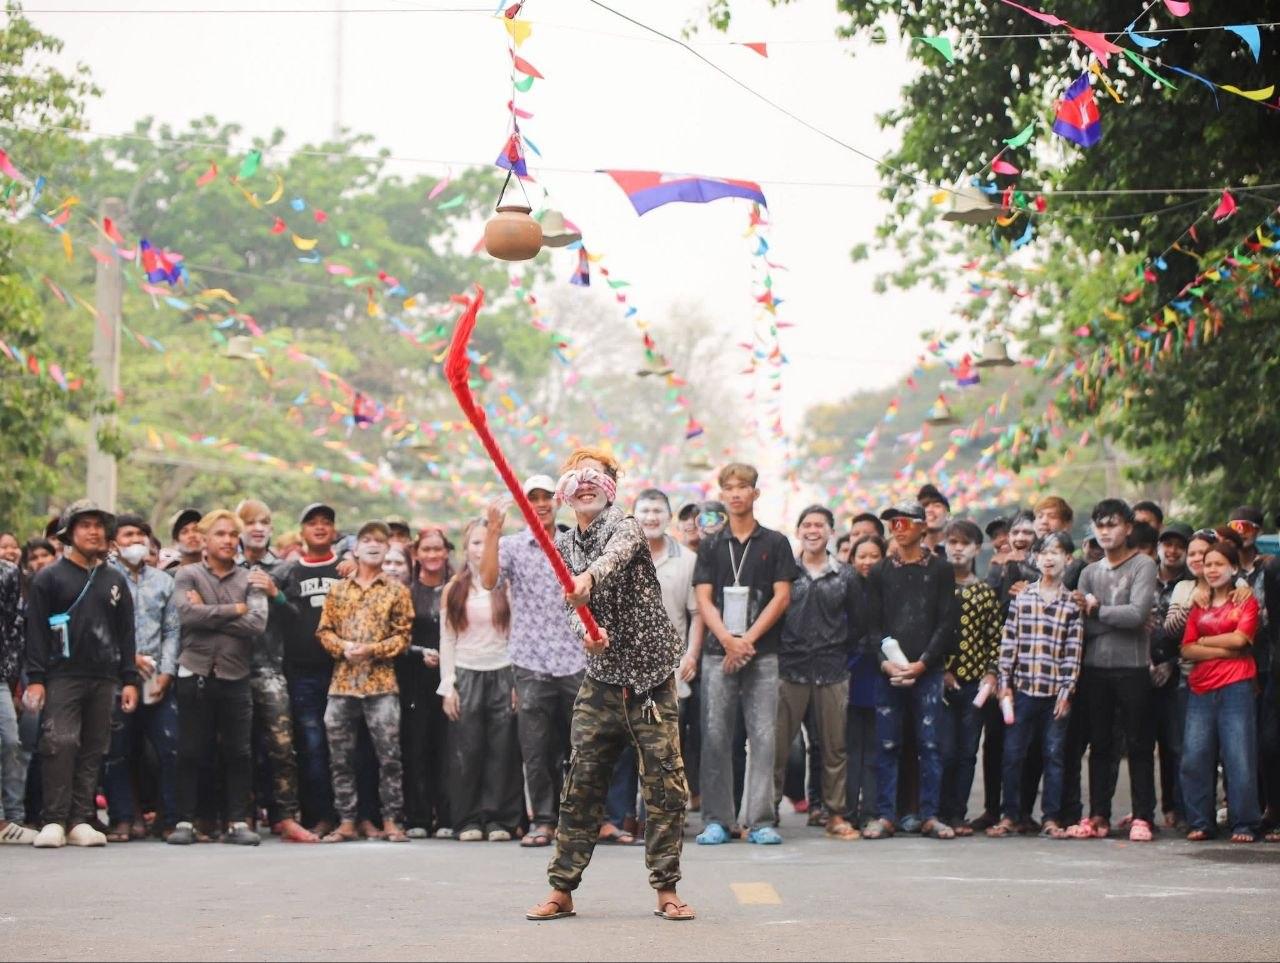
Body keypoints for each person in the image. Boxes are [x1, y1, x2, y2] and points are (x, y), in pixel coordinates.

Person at [527, 447, 692, 923]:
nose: (585, 483)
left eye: (595, 476)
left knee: (665, 785)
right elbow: (569, 606)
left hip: (650, 679)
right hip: (601, 681)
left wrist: (587, 580)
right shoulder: (563, 544)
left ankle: (666, 889)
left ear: (611, 487)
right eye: (575, 477)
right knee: (580, 784)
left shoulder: (628, 527)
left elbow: (611, 561)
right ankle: (561, 889)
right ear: (564, 492)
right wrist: (586, 633)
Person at [479, 475, 587, 850]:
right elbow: (489, 581)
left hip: (575, 658)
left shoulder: (576, 542)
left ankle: (578, 820)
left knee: (581, 746)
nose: (540, 504)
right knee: (536, 748)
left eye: (546, 497)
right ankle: (543, 820)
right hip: (530, 660)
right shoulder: (512, 545)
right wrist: (493, 532)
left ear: (557, 501)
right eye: (532, 498)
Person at [693, 463, 798, 846]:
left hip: (762, 653)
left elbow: (782, 597)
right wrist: (727, 639)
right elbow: (703, 598)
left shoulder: (775, 542)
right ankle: (718, 820)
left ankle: (760, 820)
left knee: (764, 737)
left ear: (755, 493)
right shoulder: (711, 544)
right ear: (722, 494)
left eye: (743, 487)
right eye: (730, 488)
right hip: (717, 653)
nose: (736, 494)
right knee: (715, 736)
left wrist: (746, 640)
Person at [25, 500, 139, 849]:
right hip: (61, 675)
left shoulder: (115, 578)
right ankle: (54, 819)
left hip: (104, 677)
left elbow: (126, 633)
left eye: (99, 526)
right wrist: (36, 679)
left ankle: (79, 819)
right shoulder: (49, 577)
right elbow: (36, 631)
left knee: (94, 746)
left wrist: (130, 678)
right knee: (59, 742)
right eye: (85, 525)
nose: (94, 532)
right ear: (69, 532)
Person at [603, 488, 703, 844]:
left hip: (671, 668)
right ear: (634, 516)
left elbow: (696, 613)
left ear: (668, 516)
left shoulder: (687, 560)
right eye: (644, 511)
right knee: (623, 745)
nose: (651, 517)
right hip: (624, 666)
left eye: (658, 511)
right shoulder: (618, 554)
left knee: (663, 748)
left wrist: (691, 655)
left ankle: (656, 820)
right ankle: (620, 819)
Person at [168, 510, 267, 847]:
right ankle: (185, 820)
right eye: (220, 534)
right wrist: (235, 609)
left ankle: (237, 821)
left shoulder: (251, 578)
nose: (227, 540)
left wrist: (207, 611)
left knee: (239, 751)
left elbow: (257, 624)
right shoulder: (187, 574)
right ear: (205, 539)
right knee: (191, 750)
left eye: (232, 534)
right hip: (195, 670)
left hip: (235, 673)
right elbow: (186, 615)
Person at [861, 502, 957, 841]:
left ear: (921, 527)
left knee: (930, 745)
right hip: (890, 671)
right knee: (887, 744)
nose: (897, 529)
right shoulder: (880, 572)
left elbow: (946, 622)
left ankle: (930, 814)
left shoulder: (941, 570)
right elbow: (873, 626)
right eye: (893, 523)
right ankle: (886, 814)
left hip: (927, 670)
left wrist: (924, 663)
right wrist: (885, 662)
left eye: (903, 522)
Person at [1065, 499, 1158, 842]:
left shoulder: (1143, 565)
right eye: (1100, 525)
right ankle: (1098, 814)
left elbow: (1137, 614)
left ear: (1128, 528)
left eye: (1112, 524)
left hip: (1133, 667)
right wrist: (1113, 616)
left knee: (1139, 744)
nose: (1105, 531)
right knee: (1100, 744)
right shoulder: (1089, 572)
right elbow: (1083, 627)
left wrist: (1097, 610)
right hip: (1094, 668)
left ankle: (1143, 816)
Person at [317, 521, 413, 844]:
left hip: (381, 685)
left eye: (380, 541)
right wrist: (342, 647)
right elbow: (324, 631)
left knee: (389, 756)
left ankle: (391, 820)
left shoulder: (397, 591)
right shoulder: (338, 590)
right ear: (355, 549)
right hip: (342, 684)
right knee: (339, 757)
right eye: (367, 540)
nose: (374, 545)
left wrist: (372, 650)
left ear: (388, 550)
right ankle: (346, 821)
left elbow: (403, 637)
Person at [991, 532, 1083, 839]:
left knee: (1053, 756)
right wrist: (1004, 683)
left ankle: (1050, 817)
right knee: (1013, 755)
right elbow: (1009, 643)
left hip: (1055, 693)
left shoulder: (1071, 604)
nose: (1049, 558)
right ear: (1035, 558)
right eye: (1044, 552)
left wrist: (1067, 691)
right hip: (1023, 690)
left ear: (1068, 560)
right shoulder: (1023, 598)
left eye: (1056, 552)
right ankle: (1010, 815)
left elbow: (1073, 652)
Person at [773, 505, 858, 840]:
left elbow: (859, 623)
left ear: (830, 532)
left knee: (834, 748)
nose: (813, 531)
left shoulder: (846, 575)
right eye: (806, 525)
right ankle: (766, 813)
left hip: (832, 671)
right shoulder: (785, 572)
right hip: (789, 669)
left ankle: (835, 813)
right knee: (777, 748)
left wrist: (841, 652)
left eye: (819, 525)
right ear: (798, 531)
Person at [236, 500, 316, 844]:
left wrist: (275, 593)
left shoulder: (285, 568)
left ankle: (286, 816)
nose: (258, 528)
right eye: (250, 522)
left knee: (282, 747)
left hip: (271, 669)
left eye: (264, 522)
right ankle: (242, 815)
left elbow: (300, 618)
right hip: (233, 670)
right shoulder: (227, 566)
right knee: (239, 748)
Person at [440, 519, 521, 843]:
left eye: (489, 543)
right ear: (465, 547)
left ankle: (499, 819)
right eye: (476, 542)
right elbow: (447, 639)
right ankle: (467, 819)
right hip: (466, 672)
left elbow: (515, 636)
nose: (482, 549)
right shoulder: (454, 588)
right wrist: (448, 685)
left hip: (502, 671)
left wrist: (516, 683)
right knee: (466, 750)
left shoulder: (507, 586)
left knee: (502, 750)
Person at [102, 514, 180, 842]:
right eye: (128, 535)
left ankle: (169, 818)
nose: (136, 540)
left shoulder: (164, 581)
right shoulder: (103, 579)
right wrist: (127, 659)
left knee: (171, 746)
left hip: (156, 678)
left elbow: (172, 630)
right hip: (116, 677)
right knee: (117, 751)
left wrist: (168, 672)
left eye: (141, 534)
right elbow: (99, 629)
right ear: (113, 544)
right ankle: (122, 817)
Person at [1181, 538, 1261, 843]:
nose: (1212, 569)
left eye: (1219, 564)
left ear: (1234, 568)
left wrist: (1204, 642)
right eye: (1208, 564)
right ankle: (1201, 821)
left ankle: (1244, 823)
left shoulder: (1245, 601)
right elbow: (1186, 648)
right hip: (1200, 688)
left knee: (1238, 756)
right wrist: (1224, 648)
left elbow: (1242, 640)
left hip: (1236, 686)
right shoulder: (1198, 603)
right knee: (1194, 757)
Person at [277, 503, 343, 833]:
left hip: (343, 670)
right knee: (311, 744)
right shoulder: (288, 573)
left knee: (344, 745)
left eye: (326, 522)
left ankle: (353, 816)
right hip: (302, 672)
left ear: (334, 531)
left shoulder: (346, 569)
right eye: (312, 522)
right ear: (302, 531)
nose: (319, 527)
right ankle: (318, 816)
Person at [938, 520, 1002, 836]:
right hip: (938, 683)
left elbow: (995, 638)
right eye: (952, 542)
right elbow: (924, 634)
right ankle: (936, 812)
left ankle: (958, 814)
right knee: (944, 751)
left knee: (966, 754)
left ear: (977, 549)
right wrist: (940, 670)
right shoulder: (935, 587)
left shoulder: (985, 592)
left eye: (964, 543)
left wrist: (991, 673)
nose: (958, 548)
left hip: (975, 686)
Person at [401, 526, 452, 838]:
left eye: (437, 549)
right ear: (416, 554)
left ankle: (447, 816)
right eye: (426, 549)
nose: (432, 555)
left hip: (451, 678)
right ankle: (418, 816)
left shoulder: (457, 588)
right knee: (416, 747)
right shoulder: (406, 592)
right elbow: (396, 636)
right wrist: (419, 653)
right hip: (414, 678)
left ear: (446, 552)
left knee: (447, 748)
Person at [1150, 523, 1193, 830]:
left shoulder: (1192, 584)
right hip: (1140, 670)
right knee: (1140, 745)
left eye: (1180, 545)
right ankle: (1142, 812)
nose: (1173, 551)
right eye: (1168, 544)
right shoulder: (1143, 578)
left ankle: (1178, 808)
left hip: (1178, 674)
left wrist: (1171, 664)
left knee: (1175, 745)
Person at [845, 534, 884, 830]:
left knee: (874, 747)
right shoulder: (844, 587)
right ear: (852, 559)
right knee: (848, 747)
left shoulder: (890, 588)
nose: (867, 561)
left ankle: (871, 809)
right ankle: (847, 809)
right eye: (862, 556)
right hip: (848, 672)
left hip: (881, 672)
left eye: (874, 556)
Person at [0, 553, 34, 844]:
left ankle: (14, 817)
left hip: (2, 676)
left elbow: (14, 628)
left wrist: (13, 681)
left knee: (11, 740)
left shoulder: (7, 573)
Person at [917, 484, 950, 558]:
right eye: (925, 506)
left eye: (937, 506)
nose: (929, 510)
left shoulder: (957, 551)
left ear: (948, 515)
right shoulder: (907, 552)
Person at [165, 507, 204, 572]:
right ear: (176, 540)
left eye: (196, 529)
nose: (191, 535)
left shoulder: (218, 570)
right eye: (184, 532)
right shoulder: (169, 575)